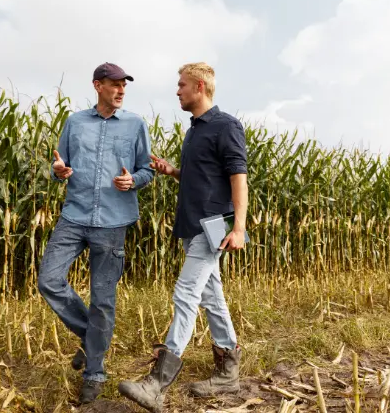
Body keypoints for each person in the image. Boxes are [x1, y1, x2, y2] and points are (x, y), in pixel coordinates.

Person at [118, 62, 249, 412]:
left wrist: (239, 227)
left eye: (181, 85)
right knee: (212, 296)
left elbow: (238, 176)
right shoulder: (194, 130)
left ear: (200, 88)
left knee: (186, 292)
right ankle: (228, 371)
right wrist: (173, 171)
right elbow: (200, 178)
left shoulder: (225, 125)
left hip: (214, 224)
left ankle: (157, 383)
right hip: (193, 225)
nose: (177, 91)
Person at [38, 62, 154, 404]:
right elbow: (60, 166)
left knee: (103, 299)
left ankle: (95, 371)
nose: (120, 91)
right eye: (114, 85)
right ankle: (93, 340)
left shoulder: (135, 124)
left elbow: (147, 170)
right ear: (97, 86)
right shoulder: (75, 122)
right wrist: (58, 171)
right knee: (49, 280)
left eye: (124, 87)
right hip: (74, 217)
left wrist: (133, 180)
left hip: (113, 222)